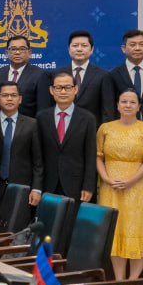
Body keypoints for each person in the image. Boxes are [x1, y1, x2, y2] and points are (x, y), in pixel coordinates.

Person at [96, 90, 143, 279]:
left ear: (139, 106)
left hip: (138, 187)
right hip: (110, 187)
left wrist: (130, 181)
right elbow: (98, 157)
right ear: (117, 105)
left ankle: (133, 283)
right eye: (123, 101)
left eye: (132, 102)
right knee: (115, 230)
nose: (128, 105)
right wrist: (106, 179)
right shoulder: (105, 128)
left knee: (136, 229)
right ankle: (118, 279)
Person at [38, 71, 97, 203]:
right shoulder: (42, 117)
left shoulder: (88, 118)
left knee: (73, 222)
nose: (63, 92)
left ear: (76, 89)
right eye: (58, 88)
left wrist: (88, 186)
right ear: (51, 90)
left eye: (68, 87)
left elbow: (91, 155)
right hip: (48, 183)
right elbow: (38, 156)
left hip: (76, 184)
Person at [0, 81, 44, 227]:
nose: (9, 99)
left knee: (19, 233)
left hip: (22, 188)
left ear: (20, 99)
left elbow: (38, 161)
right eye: (5, 95)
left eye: (13, 95)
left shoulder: (32, 124)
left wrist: (36, 188)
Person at [103, 29, 143, 122]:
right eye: (132, 44)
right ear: (123, 49)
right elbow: (109, 108)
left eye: (141, 44)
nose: (137, 48)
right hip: (122, 128)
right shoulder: (112, 75)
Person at [39, 30, 105, 121]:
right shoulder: (54, 75)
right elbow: (47, 108)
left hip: (92, 129)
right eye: (75, 45)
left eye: (84, 46)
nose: (79, 49)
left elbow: (106, 110)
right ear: (69, 49)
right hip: (61, 127)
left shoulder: (103, 75)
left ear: (92, 50)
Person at [0, 35, 45, 117]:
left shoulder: (40, 75)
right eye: (13, 49)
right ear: (6, 53)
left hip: (29, 126)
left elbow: (42, 108)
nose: (17, 52)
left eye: (22, 49)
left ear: (29, 53)